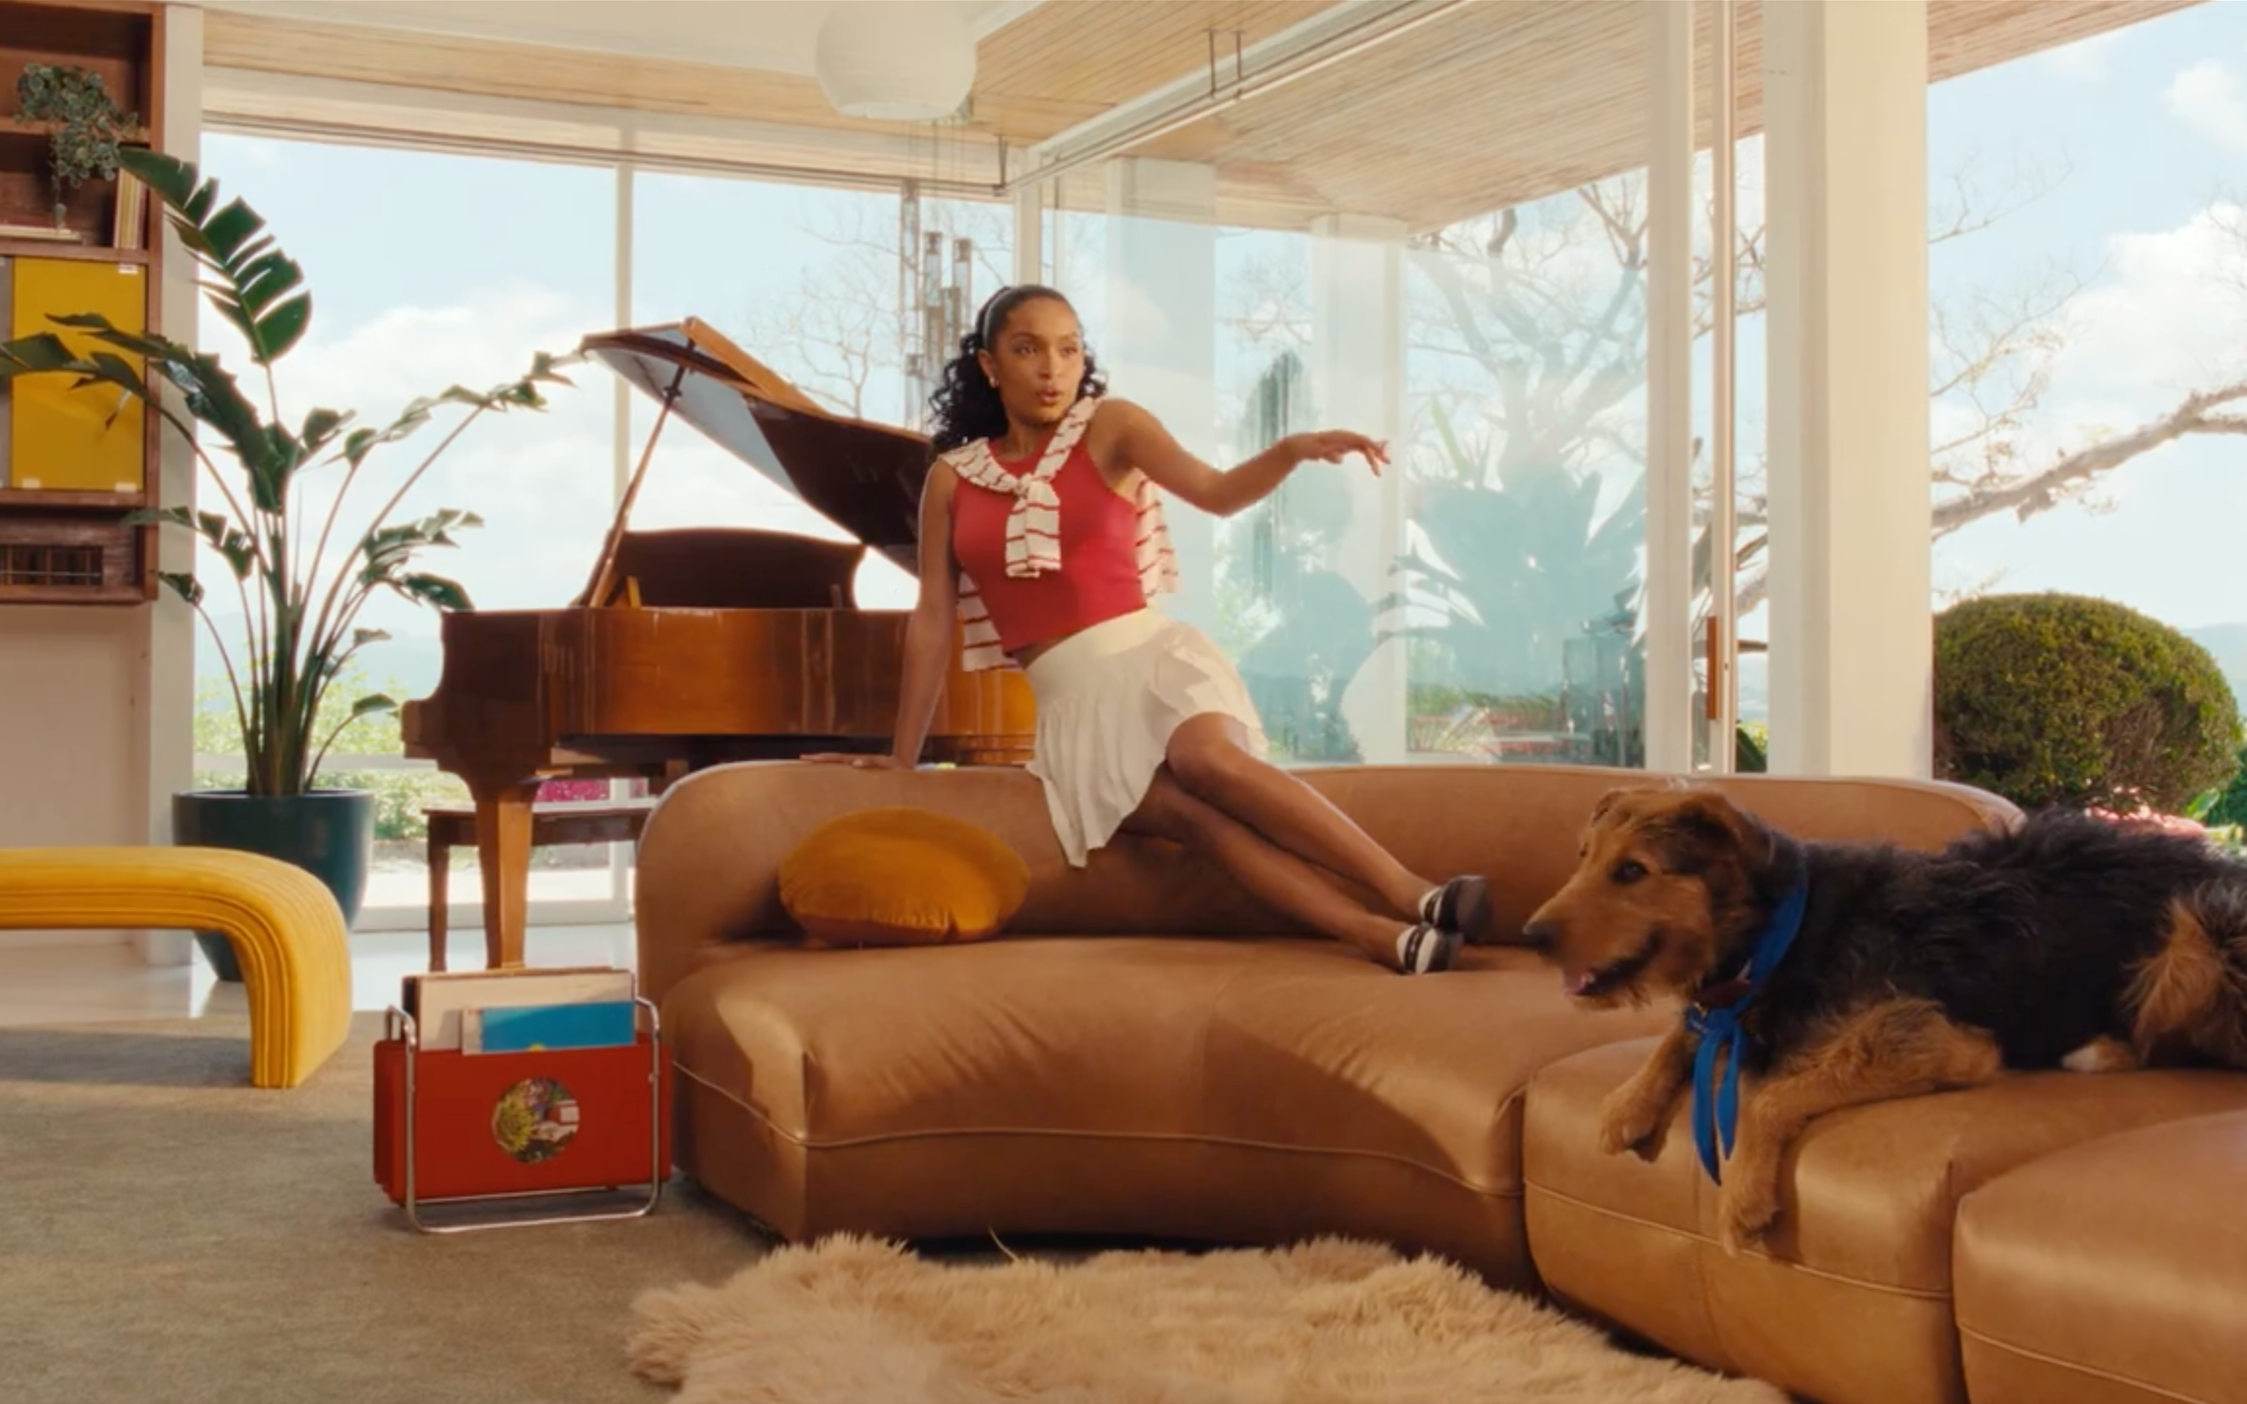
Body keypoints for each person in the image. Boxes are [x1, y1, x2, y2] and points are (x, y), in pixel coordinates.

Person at [805, 284, 1487, 974]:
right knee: (1197, 824)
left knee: (1209, 762)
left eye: (1068, 349)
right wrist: (903, 755)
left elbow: (1216, 493)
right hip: (1073, 707)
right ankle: (1380, 937)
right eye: (1027, 349)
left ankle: (1413, 891)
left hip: (1152, 658)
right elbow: (932, 615)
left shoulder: (1112, 427)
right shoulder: (953, 480)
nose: (1051, 369)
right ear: (989, 365)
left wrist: (1290, 450)